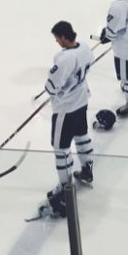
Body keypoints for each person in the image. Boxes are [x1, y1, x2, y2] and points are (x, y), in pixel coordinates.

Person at [41, 21, 95, 219]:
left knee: (61, 148)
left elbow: (51, 87)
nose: (56, 42)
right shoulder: (86, 49)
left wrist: (55, 90)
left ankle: (66, 189)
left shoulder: (63, 58)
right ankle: (87, 167)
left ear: (64, 37)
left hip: (65, 109)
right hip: (81, 101)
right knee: (82, 135)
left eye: (57, 38)